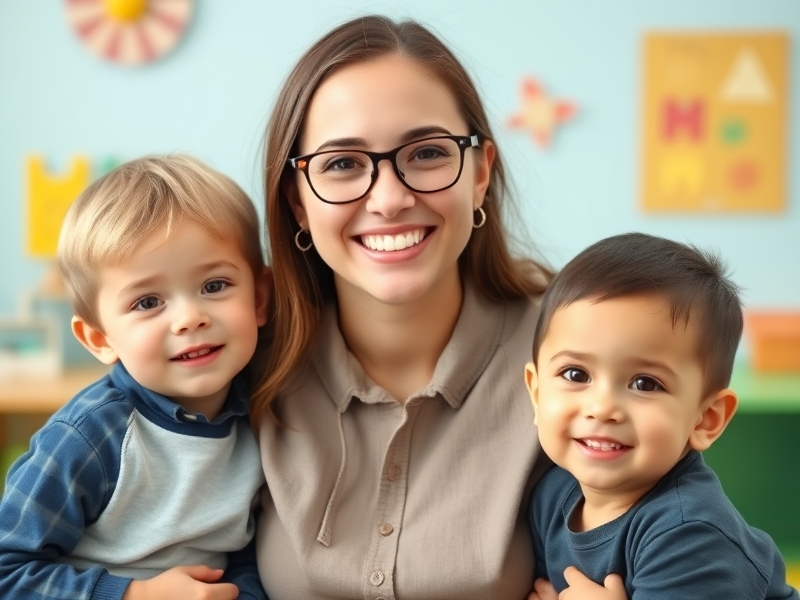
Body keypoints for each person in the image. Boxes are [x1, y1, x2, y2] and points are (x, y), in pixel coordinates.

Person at [249, 14, 554, 600]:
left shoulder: (576, 353)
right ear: (297, 202)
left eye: (428, 153)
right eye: (341, 164)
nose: (390, 199)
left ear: (480, 173)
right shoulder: (238, 363)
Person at [0, 155, 270, 600]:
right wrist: (133, 594)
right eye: (147, 302)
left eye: (214, 286)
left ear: (260, 298)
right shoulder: (89, 438)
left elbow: (242, 549)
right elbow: (8, 572)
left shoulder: (265, 413)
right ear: (99, 338)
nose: (189, 318)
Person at [524, 232, 799, 599]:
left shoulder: (691, 535)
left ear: (706, 419)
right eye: (576, 374)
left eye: (645, 383)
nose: (602, 407)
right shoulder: (551, 495)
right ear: (538, 393)